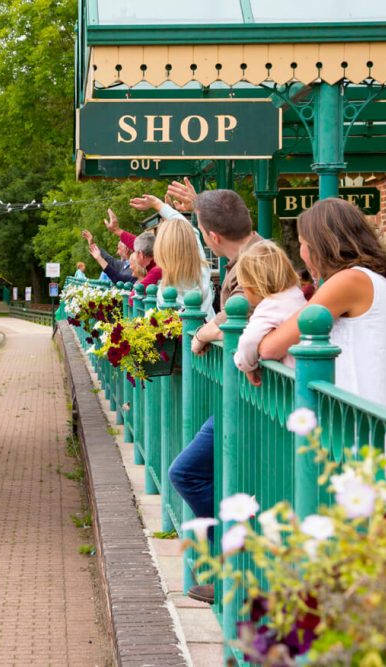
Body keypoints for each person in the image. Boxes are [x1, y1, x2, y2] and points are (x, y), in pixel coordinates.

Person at [167, 188, 260, 605]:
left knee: (185, 472)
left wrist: (203, 331)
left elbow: (243, 309)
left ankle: (235, 565)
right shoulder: (253, 253)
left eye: (203, 232)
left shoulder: (255, 261)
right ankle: (232, 567)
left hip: (252, 396)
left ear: (213, 237)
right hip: (243, 392)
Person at [257, 198, 386, 417]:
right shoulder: (367, 277)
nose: (302, 253)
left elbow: (269, 348)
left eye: (302, 242)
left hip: (363, 419)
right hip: (376, 414)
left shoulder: (349, 280)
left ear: (320, 244)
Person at [231, 240, 307, 382]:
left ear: (252, 287)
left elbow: (249, 341)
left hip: (288, 380)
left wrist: (246, 365)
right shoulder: (296, 296)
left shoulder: (270, 306)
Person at [153, 216, 215, 320]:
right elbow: (193, 232)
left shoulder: (166, 290)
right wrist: (161, 206)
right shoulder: (204, 272)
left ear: (162, 250)